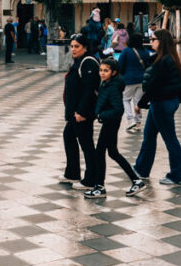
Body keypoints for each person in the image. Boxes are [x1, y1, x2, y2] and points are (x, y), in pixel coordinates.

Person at [132, 29, 181, 187]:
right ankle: (141, 168)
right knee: (148, 135)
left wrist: (141, 103)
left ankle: (177, 174)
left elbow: (154, 85)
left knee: (170, 139)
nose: (151, 41)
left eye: (154, 39)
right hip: (163, 102)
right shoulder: (167, 58)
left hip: (162, 103)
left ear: (161, 41)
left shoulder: (164, 61)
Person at [84, 57, 141, 199]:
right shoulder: (107, 84)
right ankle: (136, 180)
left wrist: (101, 115)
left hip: (111, 123)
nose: (102, 73)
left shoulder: (113, 87)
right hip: (110, 122)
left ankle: (100, 187)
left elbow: (118, 109)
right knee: (113, 153)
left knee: (100, 153)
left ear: (114, 72)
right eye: (101, 70)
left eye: (106, 71)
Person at [59, 36, 99, 190]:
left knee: (87, 144)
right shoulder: (79, 62)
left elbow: (89, 89)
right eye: (72, 46)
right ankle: (72, 173)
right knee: (68, 136)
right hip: (74, 112)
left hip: (82, 113)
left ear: (85, 47)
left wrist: (81, 111)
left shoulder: (88, 62)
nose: (73, 49)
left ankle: (91, 180)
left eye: (77, 46)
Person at [117, 33, 150, 131]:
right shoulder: (145, 52)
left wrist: (121, 76)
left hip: (128, 80)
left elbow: (120, 65)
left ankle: (130, 120)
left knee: (125, 99)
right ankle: (138, 122)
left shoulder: (126, 51)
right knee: (138, 101)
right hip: (142, 80)